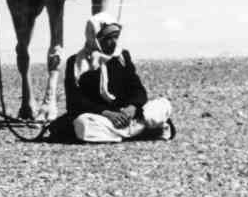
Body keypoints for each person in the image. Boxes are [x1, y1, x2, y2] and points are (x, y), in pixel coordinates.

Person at [53, 12, 174, 143]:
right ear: (95, 38)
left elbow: (138, 90)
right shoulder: (76, 62)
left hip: (127, 116)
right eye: (108, 38)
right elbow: (74, 101)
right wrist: (108, 114)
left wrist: (132, 108)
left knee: (162, 105)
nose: (113, 42)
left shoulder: (122, 57)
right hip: (101, 117)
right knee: (83, 124)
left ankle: (123, 133)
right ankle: (142, 132)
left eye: (116, 37)